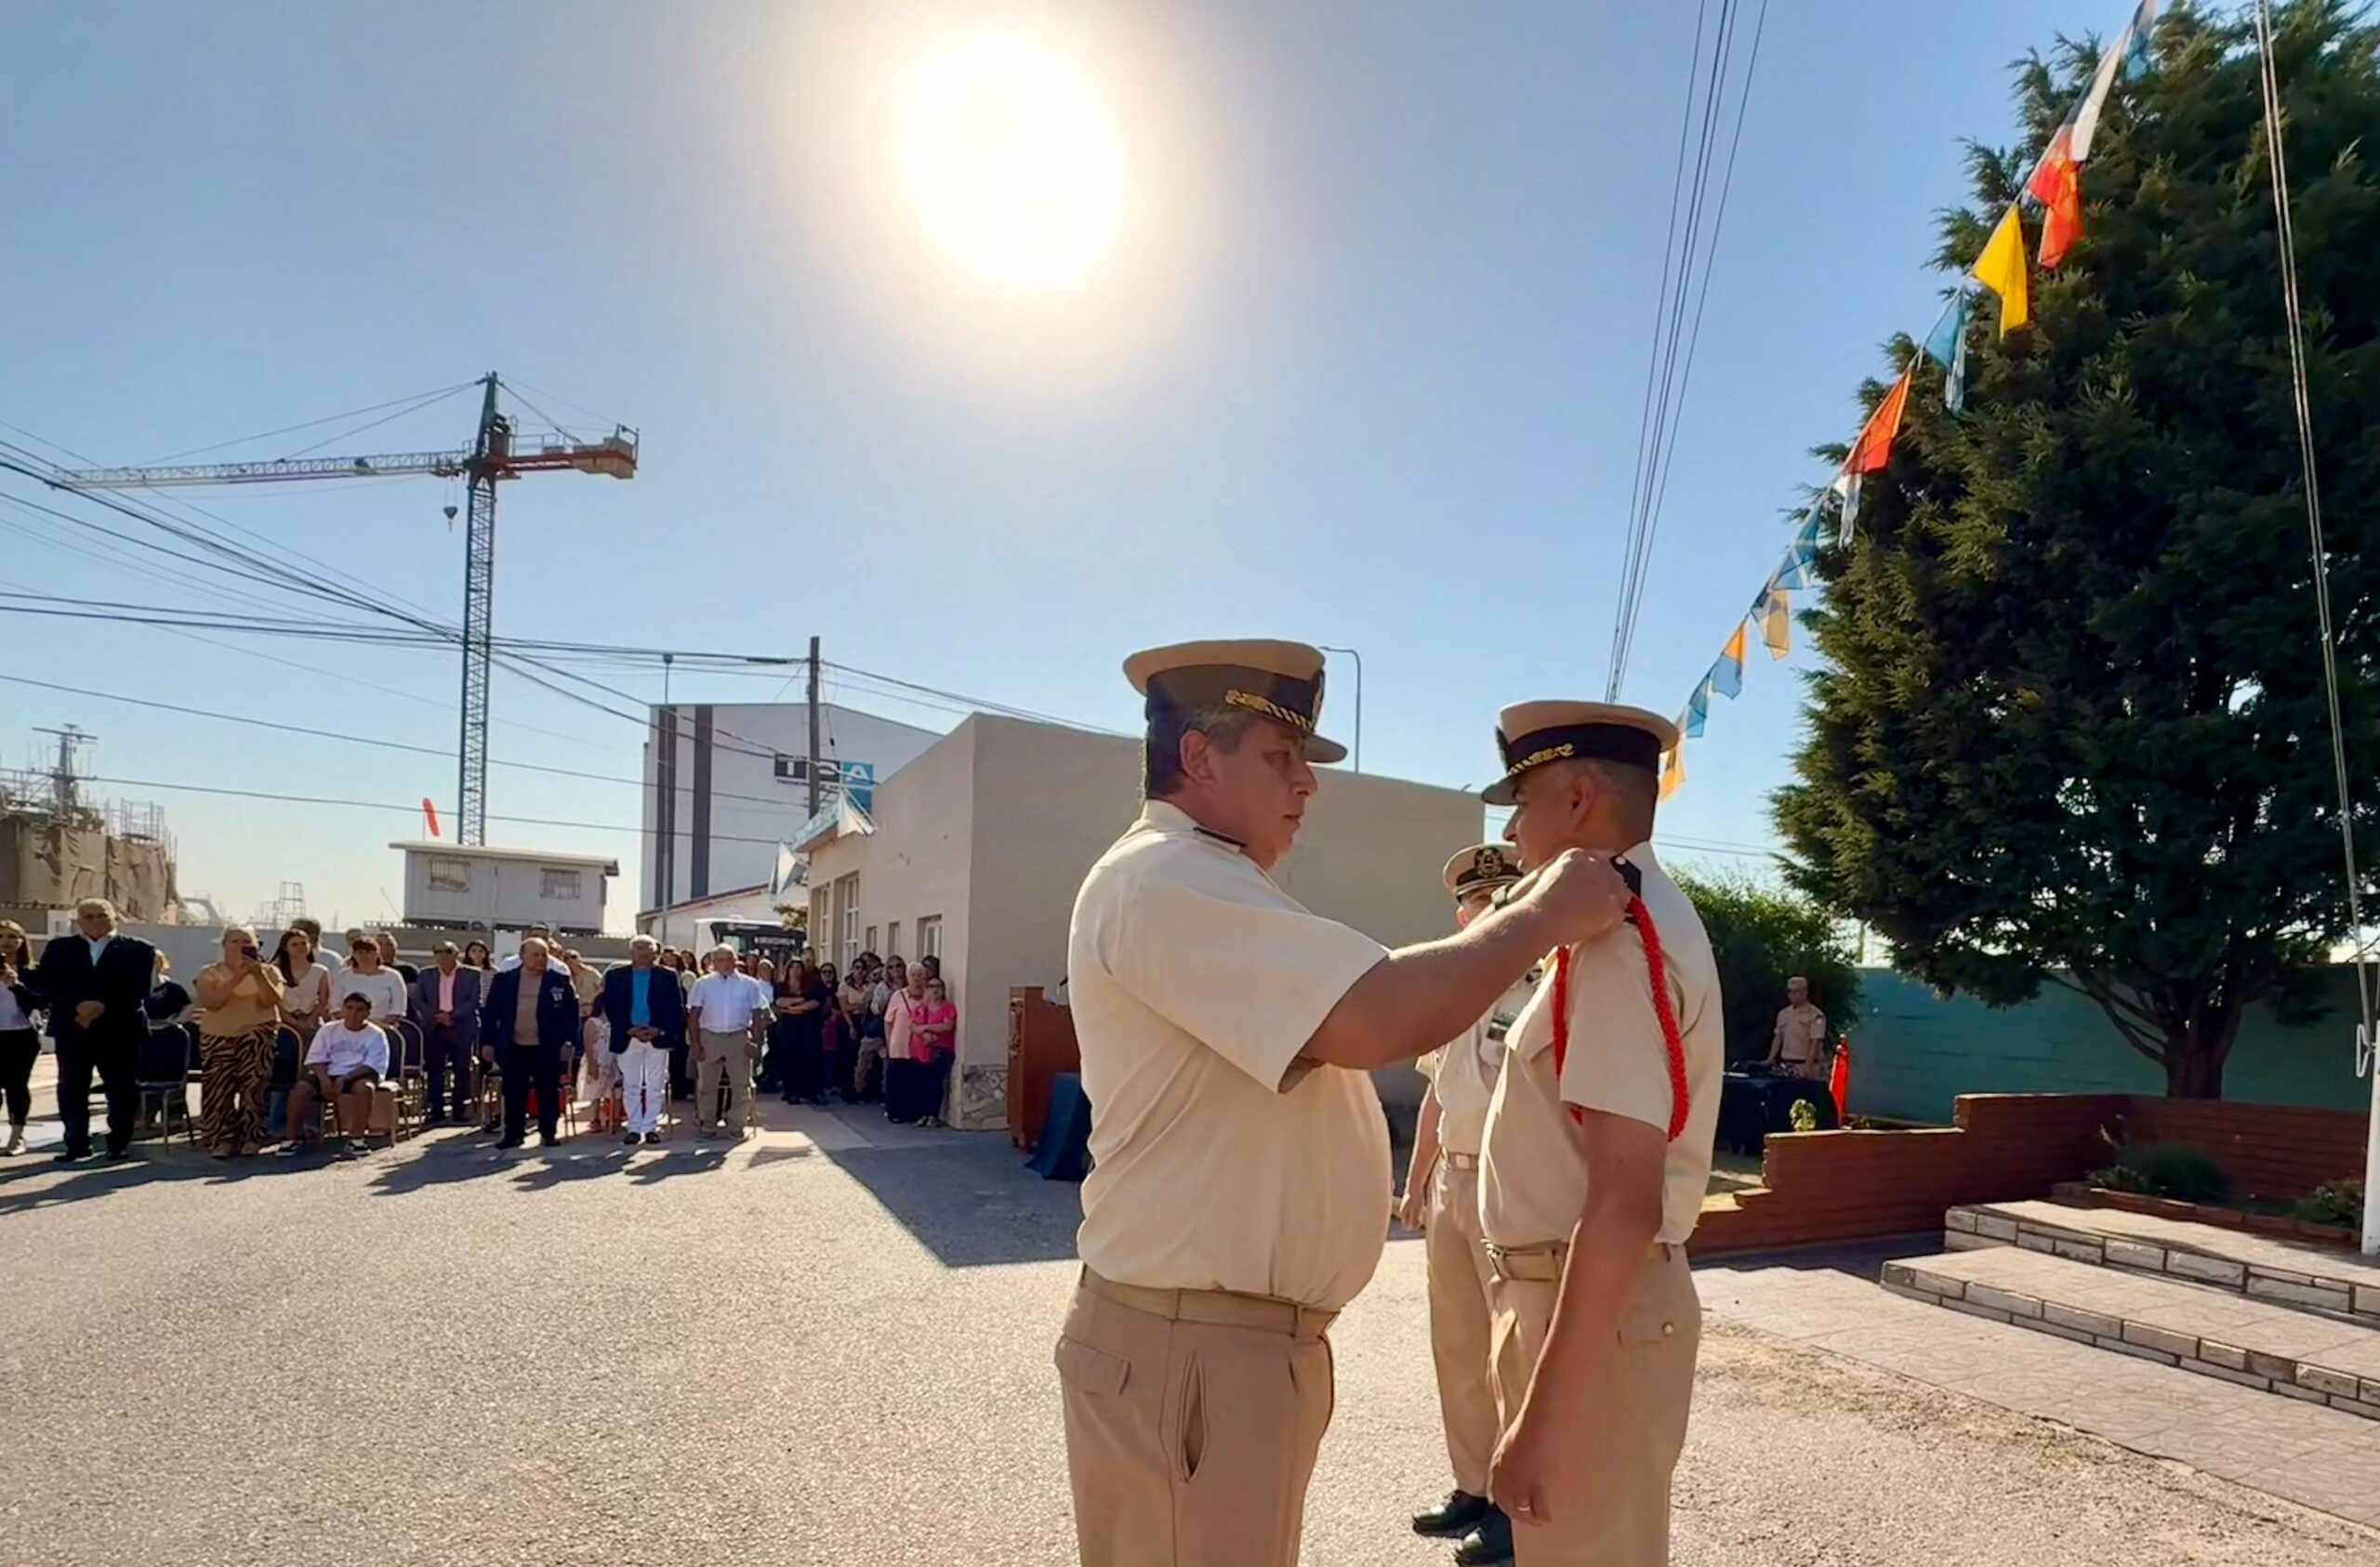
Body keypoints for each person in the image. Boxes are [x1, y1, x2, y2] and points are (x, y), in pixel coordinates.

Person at [1054, 640, 1630, 1567]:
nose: (1307, 785)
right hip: (1193, 1347)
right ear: (1198, 756)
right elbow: (1373, 1016)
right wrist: (1540, 915)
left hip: (1216, 1344)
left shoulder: (1203, 879)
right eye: (1281, 757)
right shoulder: (1165, 879)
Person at [1474, 702, 1724, 1565]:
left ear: (1579, 799)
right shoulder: (1608, 928)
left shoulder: (1617, 943)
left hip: (1590, 1315)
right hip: (1577, 1308)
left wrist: (1545, 1418)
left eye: (1522, 802)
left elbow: (1625, 1204)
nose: (1511, 830)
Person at [1400, 844, 1532, 1567]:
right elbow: (1437, 1094)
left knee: (1511, 1352)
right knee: (1456, 1346)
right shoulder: (1454, 986)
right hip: (1452, 1182)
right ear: (1461, 915)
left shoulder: (1534, 987)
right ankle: (1473, 1486)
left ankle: (1516, 1509)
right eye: (1477, 902)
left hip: (1506, 1184)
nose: (1486, 912)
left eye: (1500, 900)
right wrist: (1415, 1181)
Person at [33, 898, 160, 1164]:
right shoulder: (59, 948)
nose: (95, 921)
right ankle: (77, 1143)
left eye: (101, 915)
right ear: (78, 921)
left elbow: (138, 989)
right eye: (88, 917)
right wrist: (77, 1008)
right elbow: (48, 985)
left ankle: (118, 1143)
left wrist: (102, 1006)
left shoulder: (138, 949)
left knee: (121, 1089)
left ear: (114, 917)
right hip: (73, 1027)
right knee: (71, 1088)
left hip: (119, 1028)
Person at [192, 924, 285, 1160]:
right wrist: (238, 977)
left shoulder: (269, 972)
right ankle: (222, 1139)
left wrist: (257, 973)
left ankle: (252, 1137)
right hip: (218, 1036)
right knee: (218, 1089)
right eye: (235, 941)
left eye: (246, 941)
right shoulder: (209, 972)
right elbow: (212, 1002)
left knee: (254, 1087)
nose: (240, 946)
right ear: (224, 945)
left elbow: (272, 1000)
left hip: (257, 1033)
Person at [481, 937, 580, 1150]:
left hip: (547, 1046)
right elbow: (490, 1013)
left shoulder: (559, 981)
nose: (540, 959)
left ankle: (548, 1133)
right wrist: (487, 1043)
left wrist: (569, 1041)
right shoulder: (504, 980)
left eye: (544, 955)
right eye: (535, 954)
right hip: (514, 1046)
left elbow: (571, 1015)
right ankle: (513, 1135)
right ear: (522, 956)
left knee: (548, 1091)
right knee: (514, 1092)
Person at [601, 935, 686, 1144]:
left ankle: (650, 1128)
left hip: (657, 1037)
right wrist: (629, 1029)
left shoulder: (668, 976)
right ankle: (634, 1127)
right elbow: (610, 1007)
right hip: (628, 1036)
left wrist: (659, 1029)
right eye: (639, 948)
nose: (644, 952)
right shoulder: (615, 976)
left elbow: (676, 1008)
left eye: (648, 948)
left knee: (655, 1084)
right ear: (631, 952)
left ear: (655, 953)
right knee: (631, 1084)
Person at [284, 992, 387, 1158]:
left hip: (359, 1074)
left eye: (359, 1010)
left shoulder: (376, 1034)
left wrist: (346, 1078)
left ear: (367, 1013)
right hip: (329, 1072)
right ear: (343, 1009)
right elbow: (316, 1059)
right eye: (349, 1008)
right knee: (300, 1089)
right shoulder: (328, 1030)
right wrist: (324, 1080)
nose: (353, 1014)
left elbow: (372, 1065)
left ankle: (357, 1139)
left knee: (365, 1089)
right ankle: (291, 1139)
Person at [686, 945, 766, 1136]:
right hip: (709, 1036)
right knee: (707, 1085)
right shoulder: (703, 984)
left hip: (738, 1036)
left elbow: (758, 1015)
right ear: (713, 963)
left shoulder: (750, 984)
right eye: (721, 959)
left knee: (741, 1085)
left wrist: (755, 1041)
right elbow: (693, 1015)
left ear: (736, 960)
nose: (726, 963)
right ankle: (708, 1125)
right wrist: (695, 1043)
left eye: (730, 959)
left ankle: (736, 1125)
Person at [409, 941, 483, 1126]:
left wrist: (452, 1016)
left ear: (456, 954)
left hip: (461, 1027)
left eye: (448, 951)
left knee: (462, 1069)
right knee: (435, 1070)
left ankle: (459, 1109)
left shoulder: (472, 974)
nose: (443, 955)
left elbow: (473, 1001)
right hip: (435, 1027)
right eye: (438, 952)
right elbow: (418, 1000)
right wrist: (437, 1016)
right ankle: (436, 1109)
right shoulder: (426, 974)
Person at [0, 920, 41, 1155]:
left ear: (22, 941)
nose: (6, 942)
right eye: (1, 936)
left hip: (21, 1034)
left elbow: (39, 1002)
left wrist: (16, 985)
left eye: (12, 936)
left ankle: (16, 1137)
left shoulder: (31, 971)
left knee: (16, 1085)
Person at [771, 961, 830, 1106]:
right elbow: (780, 1002)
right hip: (788, 1028)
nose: (796, 970)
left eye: (799, 967)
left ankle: (812, 1092)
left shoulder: (812, 986)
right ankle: (792, 1092)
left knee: (810, 1058)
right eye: (793, 967)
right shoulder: (781, 986)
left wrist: (793, 1008)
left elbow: (815, 1003)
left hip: (808, 1027)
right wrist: (801, 1000)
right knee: (790, 1058)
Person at [880, 962, 930, 1125]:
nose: (916, 979)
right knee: (897, 1078)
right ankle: (895, 1111)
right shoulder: (898, 996)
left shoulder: (928, 996)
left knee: (915, 1079)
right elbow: (888, 1021)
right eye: (913, 975)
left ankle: (912, 1112)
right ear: (908, 977)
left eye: (919, 975)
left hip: (919, 1045)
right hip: (899, 1043)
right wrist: (889, 1042)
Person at [910, 976, 958, 1129]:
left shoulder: (948, 1007)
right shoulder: (921, 1008)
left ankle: (933, 1115)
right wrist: (925, 1033)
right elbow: (913, 1026)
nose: (935, 990)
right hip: (923, 1049)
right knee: (922, 1082)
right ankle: (923, 1114)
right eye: (931, 986)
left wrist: (926, 1028)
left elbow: (947, 1026)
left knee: (934, 1082)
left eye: (938, 986)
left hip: (942, 1049)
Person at [330, 932, 407, 1026]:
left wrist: (377, 1026)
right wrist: (354, 1024)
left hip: (383, 1027)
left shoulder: (393, 976)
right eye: (360, 952)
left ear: (377, 954)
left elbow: (398, 1010)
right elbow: (335, 1007)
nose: (364, 956)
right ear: (354, 955)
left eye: (369, 952)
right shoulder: (343, 976)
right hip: (348, 1027)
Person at [271, 928, 332, 1046]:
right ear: (285, 948)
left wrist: (311, 1020)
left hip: (312, 1023)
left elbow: (323, 1000)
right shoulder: (275, 970)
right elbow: (274, 1001)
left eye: (303, 943)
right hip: (283, 1023)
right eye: (294, 944)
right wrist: (293, 1022)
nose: (300, 947)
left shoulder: (320, 971)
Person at [1767, 974, 1830, 1081]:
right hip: (1786, 1063)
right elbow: (1778, 1037)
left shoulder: (1815, 1015)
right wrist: (1770, 1058)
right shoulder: (1784, 1013)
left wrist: (1808, 1065)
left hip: (1804, 1063)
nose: (1792, 995)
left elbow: (1815, 1041)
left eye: (1796, 991)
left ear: (1805, 992)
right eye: (1790, 991)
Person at [835, 959, 873, 1103]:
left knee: (863, 1058)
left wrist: (859, 1006)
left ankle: (861, 1090)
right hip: (849, 1021)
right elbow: (844, 1007)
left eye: (862, 968)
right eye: (857, 968)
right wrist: (851, 1025)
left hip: (865, 1021)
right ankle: (848, 1091)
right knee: (848, 1058)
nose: (860, 971)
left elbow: (869, 1006)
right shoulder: (845, 986)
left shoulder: (870, 986)